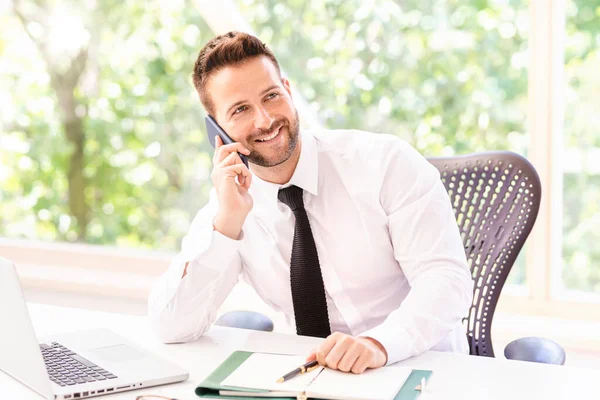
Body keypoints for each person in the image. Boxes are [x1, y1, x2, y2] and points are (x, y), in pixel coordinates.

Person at [148, 31, 473, 374]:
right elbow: (172, 327)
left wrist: (379, 345)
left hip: (420, 369)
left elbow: (446, 280)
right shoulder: (230, 207)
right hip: (312, 379)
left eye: (271, 96)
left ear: (288, 90)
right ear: (216, 130)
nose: (265, 120)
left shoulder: (385, 163)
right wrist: (226, 225)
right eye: (240, 109)